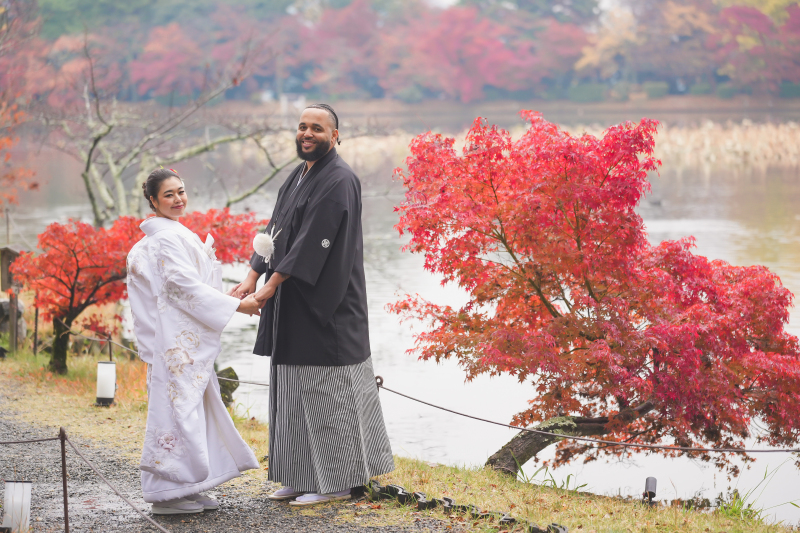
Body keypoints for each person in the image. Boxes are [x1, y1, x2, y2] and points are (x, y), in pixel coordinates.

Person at [232, 104, 394, 506]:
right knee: (291, 390)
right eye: (302, 127)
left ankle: (337, 481)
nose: (307, 133)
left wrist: (270, 286)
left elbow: (312, 242)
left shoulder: (340, 179)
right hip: (292, 297)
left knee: (326, 393)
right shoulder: (299, 174)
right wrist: (253, 275)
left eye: (317, 128)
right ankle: (299, 475)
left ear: (336, 135)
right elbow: (275, 230)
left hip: (328, 305)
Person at [126, 168, 261, 515]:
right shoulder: (164, 239)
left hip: (177, 340)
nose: (178, 199)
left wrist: (223, 296)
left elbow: (190, 285)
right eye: (168, 194)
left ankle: (191, 485)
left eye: (181, 192)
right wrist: (236, 305)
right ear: (153, 201)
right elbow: (180, 288)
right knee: (176, 414)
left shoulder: (168, 236)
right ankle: (166, 491)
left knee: (192, 410)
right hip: (173, 342)